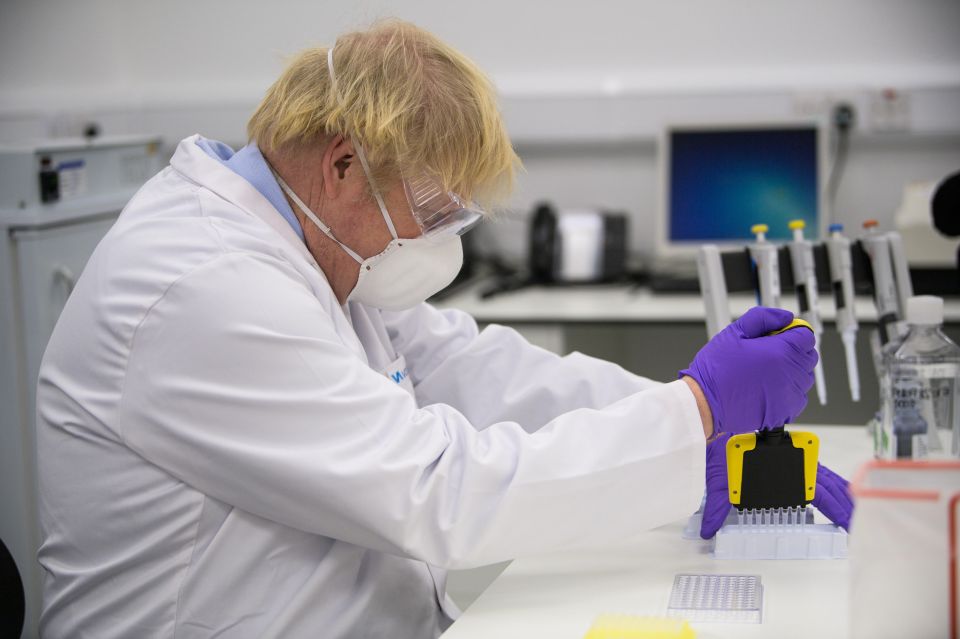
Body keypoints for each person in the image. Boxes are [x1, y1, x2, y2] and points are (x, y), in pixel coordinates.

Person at [35, 20, 850, 639]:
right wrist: (695, 416)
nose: (443, 240)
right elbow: (437, 488)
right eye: (431, 210)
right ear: (342, 165)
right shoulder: (205, 285)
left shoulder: (308, 248)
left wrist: (691, 426)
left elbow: (471, 367)